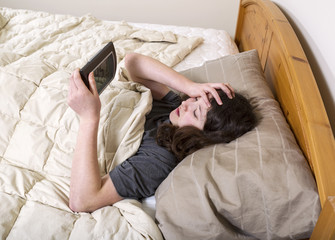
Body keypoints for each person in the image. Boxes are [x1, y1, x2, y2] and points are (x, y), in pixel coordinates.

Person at [67, 53, 257, 212]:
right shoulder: (173, 111)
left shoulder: (158, 160)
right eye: (196, 99)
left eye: (197, 112)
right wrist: (190, 87)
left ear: (204, 137)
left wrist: (89, 117)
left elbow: (83, 201)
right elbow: (133, 63)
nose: (186, 104)